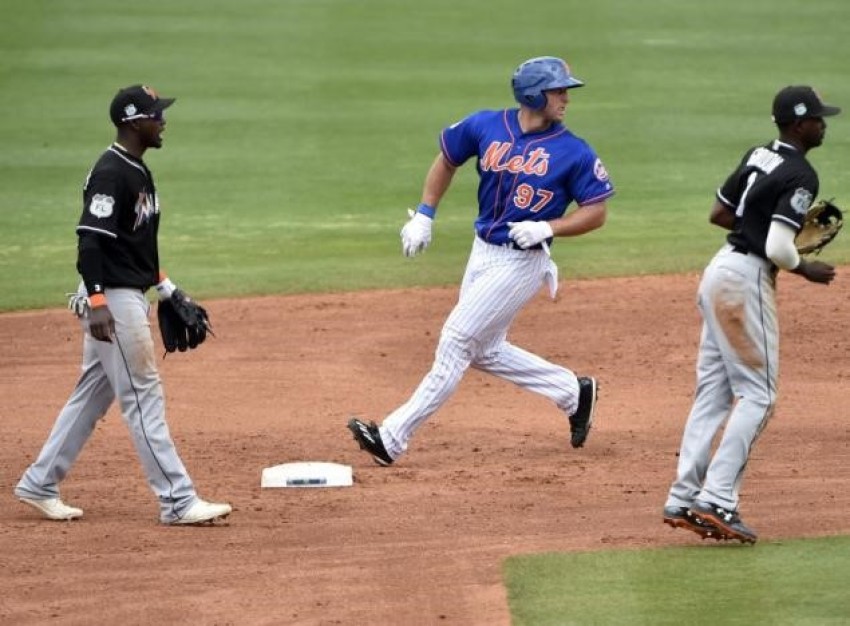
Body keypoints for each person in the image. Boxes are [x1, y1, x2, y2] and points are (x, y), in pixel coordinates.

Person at [348, 56, 614, 465]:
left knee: (456, 339)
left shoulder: (573, 151)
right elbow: (447, 159)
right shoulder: (485, 125)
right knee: (485, 349)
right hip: (482, 251)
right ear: (533, 94)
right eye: (558, 90)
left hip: (522, 262)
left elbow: (596, 211)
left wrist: (550, 228)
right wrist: (424, 213)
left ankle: (391, 437)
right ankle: (571, 392)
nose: (566, 98)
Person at [14, 85, 232, 525]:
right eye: (156, 115)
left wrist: (168, 288)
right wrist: (96, 301)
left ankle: (39, 482)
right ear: (133, 122)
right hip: (111, 300)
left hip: (121, 291)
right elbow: (90, 242)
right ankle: (177, 500)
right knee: (143, 395)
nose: (163, 121)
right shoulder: (112, 173)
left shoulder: (137, 169)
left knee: (93, 394)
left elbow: (134, 248)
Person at [663, 85, 840, 544]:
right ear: (798, 124)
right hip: (744, 283)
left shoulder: (760, 154)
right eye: (818, 119)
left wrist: (758, 229)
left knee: (713, 393)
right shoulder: (802, 174)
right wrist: (806, 269)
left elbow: (720, 213)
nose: (823, 124)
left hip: (717, 273)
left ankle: (683, 497)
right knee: (759, 395)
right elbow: (781, 247)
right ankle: (717, 498)